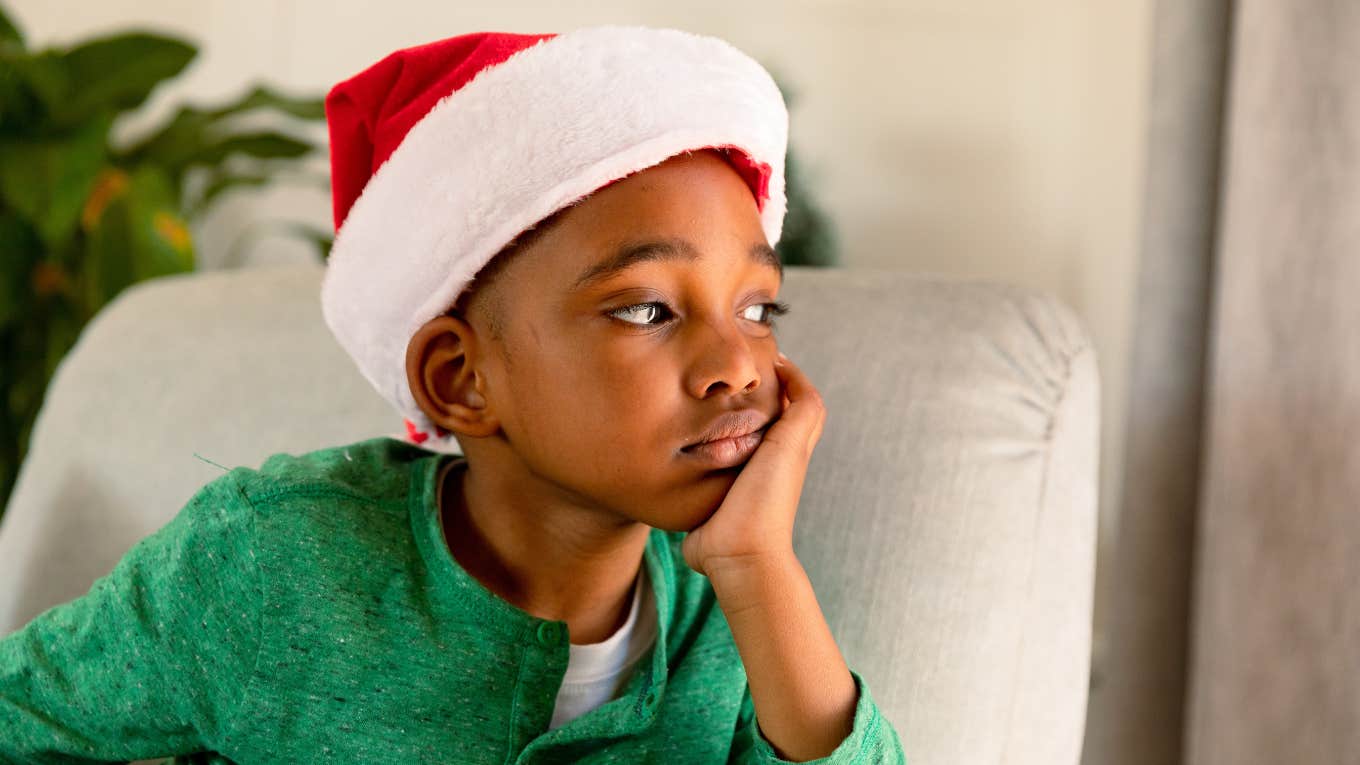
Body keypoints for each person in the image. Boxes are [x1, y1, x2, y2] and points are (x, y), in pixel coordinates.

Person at [0, 26, 905, 763]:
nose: (737, 365)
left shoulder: (737, 621)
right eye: (646, 308)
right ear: (461, 379)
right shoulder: (268, 563)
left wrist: (757, 568)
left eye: (758, 306)